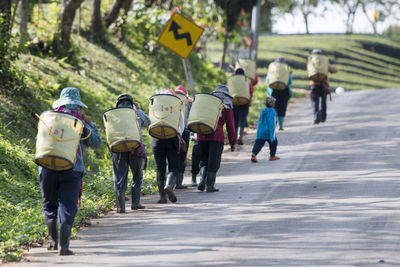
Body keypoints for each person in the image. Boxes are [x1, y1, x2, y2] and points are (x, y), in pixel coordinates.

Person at [39, 87, 101, 255]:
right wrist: (88, 124)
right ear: (79, 106)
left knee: (49, 204)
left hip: (47, 167)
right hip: (71, 169)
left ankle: (53, 241)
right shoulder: (81, 122)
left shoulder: (49, 118)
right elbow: (96, 143)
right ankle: (64, 246)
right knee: (68, 205)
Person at [111, 94, 150, 213]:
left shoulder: (113, 114)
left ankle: (120, 207)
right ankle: (135, 203)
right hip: (135, 146)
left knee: (119, 177)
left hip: (118, 147)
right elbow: (148, 123)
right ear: (131, 102)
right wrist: (138, 109)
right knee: (137, 175)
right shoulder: (136, 112)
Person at [197, 85, 237, 192]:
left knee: (204, 159)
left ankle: (202, 179)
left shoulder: (206, 102)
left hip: (201, 134)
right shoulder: (226, 106)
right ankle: (210, 185)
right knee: (214, 161)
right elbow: (230, 126)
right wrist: (233, 142)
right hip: (216, 136)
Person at [152, 89, 182, 203]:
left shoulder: (155, 106)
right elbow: (181, 125)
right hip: (172, 138)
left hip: (157, 139)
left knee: (160, 168)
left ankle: (162, 197)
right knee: (173, 167)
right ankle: (169, 185)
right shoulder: (175, 105)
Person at [308, 49, 338, 124]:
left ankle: (316, 117)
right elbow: (334, 70)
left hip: (313, 84)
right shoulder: (324, 60)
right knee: (323, 101)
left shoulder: (310, 60)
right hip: (323, 84)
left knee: (315, 102)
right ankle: (323, 117)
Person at [266, 57, 293, 131]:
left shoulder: (271, 69)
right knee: (282, 107)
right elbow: (290, 82)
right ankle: (280, 125)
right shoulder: (286, 69)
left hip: (271, 91)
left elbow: (267, 80)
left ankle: (273, 123)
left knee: (272, 107)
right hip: (284, 91)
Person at [251, 96, 280, 163]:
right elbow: (271, 124)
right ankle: (272, 156)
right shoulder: (272, 112)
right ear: (273, 104)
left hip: (260, 131)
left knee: (258, 143)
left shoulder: (263, 111)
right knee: (274, 142)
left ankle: (254, 154)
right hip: (268, 132)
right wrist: (272, 136)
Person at [174, 85, 192, 189]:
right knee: (183, 155)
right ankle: (179, 183)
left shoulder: (172, 99)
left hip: (172, 130)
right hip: (184, 131)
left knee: (173, 154)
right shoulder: (188, 102)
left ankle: (171, 180)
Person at [232, 68, 255, 145]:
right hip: (245, 102)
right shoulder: (247, 80)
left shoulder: (231, 79)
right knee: (242, 120)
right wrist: (250, 100)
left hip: (234, 101)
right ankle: (239, 136)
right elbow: (251, 90)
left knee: (235, 120)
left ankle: (234, 138)